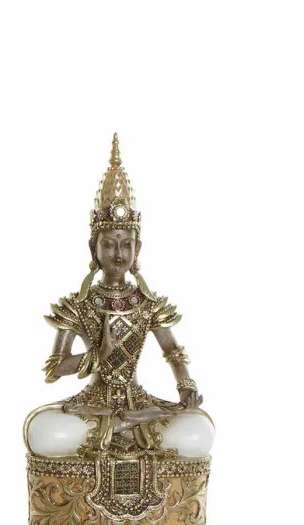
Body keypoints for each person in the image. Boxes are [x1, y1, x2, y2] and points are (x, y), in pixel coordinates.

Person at [24, 135, 214, 459]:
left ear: (137, 249)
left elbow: (173, 351)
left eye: (126, 244)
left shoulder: (147, 304)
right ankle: (122, 425)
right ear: (93, 248)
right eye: (109, 244)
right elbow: (55, 369)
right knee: (41, 430)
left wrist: (186, 386)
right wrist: (96, 355)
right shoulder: (78, 306)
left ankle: (123, 424)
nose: (118, 253)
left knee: (200, 430)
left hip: (138, 402)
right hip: (93, 404)